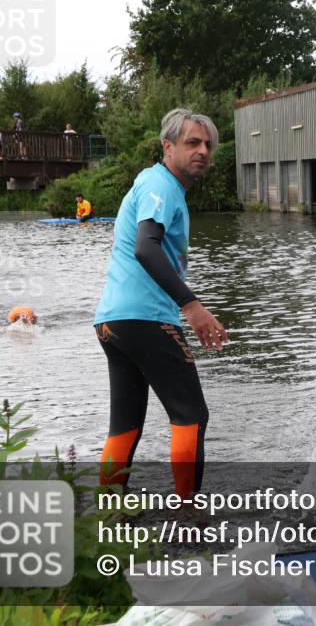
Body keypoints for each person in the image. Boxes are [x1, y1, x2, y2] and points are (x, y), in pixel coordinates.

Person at [94, 107, 228, 498]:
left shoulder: (155, 183)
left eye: (208, 144)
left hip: (112, 321)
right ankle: (188, 515)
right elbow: (146, 248)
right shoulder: (161, 185)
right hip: (147, 318)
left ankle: (109, 511)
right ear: (167, 146)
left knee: (126, 425)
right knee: (191, 416)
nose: (203, 150)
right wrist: (192, 306)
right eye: (192, 142)